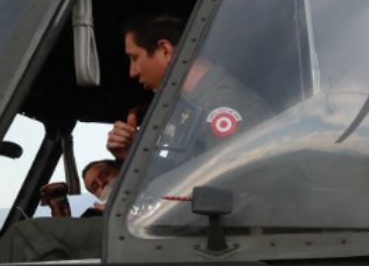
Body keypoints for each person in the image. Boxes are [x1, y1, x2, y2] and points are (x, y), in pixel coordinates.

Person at [104, 13, 269, 163]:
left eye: (135, 57)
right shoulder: (188, 109)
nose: (132, 72)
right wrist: (134, 154)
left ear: (165, 50)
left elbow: (231, 184)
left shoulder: (224, 103)